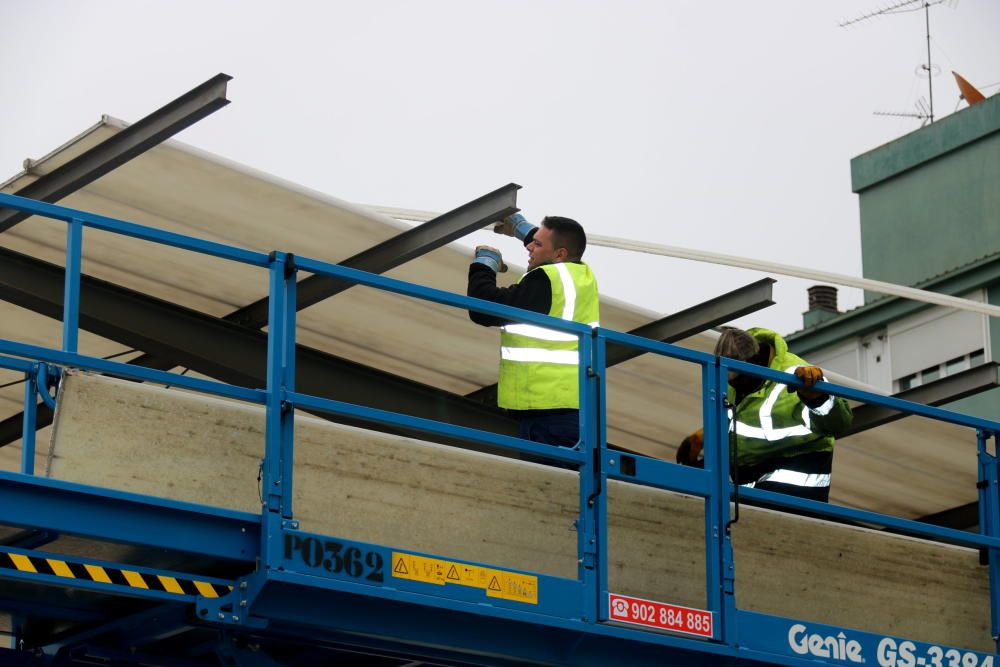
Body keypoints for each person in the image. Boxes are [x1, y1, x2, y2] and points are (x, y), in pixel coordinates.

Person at [676, 327, 853, 502]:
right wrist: (706, 435)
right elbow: (741, 421)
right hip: (750, 483)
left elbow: (840, 423)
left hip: (797, 486)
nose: (738, 387)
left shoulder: (797, 375)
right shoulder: (731, 379)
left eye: (740, 380)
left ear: (757, 362)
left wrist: (817, 396)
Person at [467, 213, 599, 446]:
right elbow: (556, 245)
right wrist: (520, 228)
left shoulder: (545, 281)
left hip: (548, 411)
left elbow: (483, 308)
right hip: (570, 405)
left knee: (551, 480)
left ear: (560, 254)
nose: (529, 246)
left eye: (536, 243)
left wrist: (484, 264)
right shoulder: (581, 274)